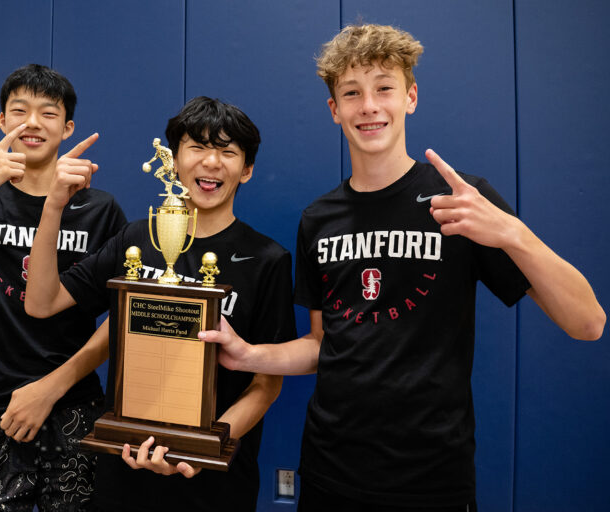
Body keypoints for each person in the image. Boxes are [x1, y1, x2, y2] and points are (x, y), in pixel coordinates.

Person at [199, 24, 606, 511]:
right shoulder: (318, 219)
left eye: (384, 88)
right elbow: (321, 346)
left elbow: (588, 323)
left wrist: (512, 233)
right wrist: (247, 355)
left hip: (432, 477)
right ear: (335, 110)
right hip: (331, 471)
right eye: (352, 93)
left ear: (410, 97)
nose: (369, 105)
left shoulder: (463, 203)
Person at [24, 96, 297, 511]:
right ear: (173, 159)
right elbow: (42, 302)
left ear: (247, 169)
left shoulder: (267, 260)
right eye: (198, 147)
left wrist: (206, 445)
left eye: (227, 151)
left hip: (213, 479)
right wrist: (53, 205)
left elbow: (266, 384)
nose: (211, 162)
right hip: (125, 465)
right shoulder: (136, 239)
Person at [0, 64, 126, 510]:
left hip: (72, 403)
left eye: (48, 113)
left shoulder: (100, 209)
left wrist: (52, 386)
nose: (32, 123)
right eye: (19, 111)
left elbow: (124, 317)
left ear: (67, 127)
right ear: (2, 122)